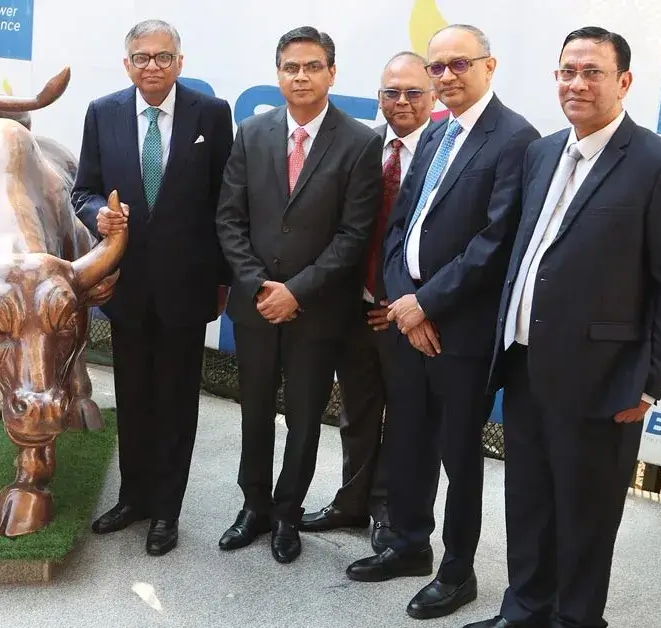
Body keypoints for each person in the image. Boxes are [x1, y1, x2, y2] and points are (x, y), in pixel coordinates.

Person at [465, 26, 661, 628]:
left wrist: (648, 383)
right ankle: (523, 611)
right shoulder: (541, 151)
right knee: (529, 504)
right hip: (524, 366)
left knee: (586, 516)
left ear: (623, 81)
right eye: (567, 70)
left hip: (603, 381)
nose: (576, 83)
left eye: (592, 72)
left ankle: (575, 620)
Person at [346, 24, 540, 621]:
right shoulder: (435, 132)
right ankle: (408, 544)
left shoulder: (516, 139)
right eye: (438, 67)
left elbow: (495, 242)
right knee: (406, 440)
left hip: (462, 334)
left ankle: (458, 572)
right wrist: (406, 306)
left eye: (460, 64)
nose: (447, 76)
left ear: (490, 65)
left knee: (459, 456)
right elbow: (403, 223)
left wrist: (428, 305)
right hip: (412, 325)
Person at [215, 26, 382, 564]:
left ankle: (288, 513)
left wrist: (297, 291)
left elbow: (354, 236)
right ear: (278, 73)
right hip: (256, 304)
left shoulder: (360, 141)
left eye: (312, 66)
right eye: (291, 67)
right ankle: (254, 508)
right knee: (255, 411)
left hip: (317, 310)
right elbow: (229, 218)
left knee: (305, 417)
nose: (301, 76)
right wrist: (260, 284)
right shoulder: (252, 133)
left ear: (332, 73)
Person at [71, 19, 234, 557]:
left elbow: (224, 206)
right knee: (134, 397)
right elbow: (84, 192)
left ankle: (167, 510)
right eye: (142, 58)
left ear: (180, 63)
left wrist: (222, 281)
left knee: (177, 402)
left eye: (163, 57)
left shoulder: (212, 114)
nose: (153, 67)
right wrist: (99, 217)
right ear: (127, 65)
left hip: (186, 289)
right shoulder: (103, 112)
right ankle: (133, 498)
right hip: (126, 285)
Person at [298, 51, 436, 554]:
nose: (400, 102)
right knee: (356, 411)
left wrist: (403, 301)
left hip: (408, 315)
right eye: (390, 93)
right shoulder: (362, 145)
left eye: (413, 92)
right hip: (353, 307)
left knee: (403, 418)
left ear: (433, 95)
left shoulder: (442, 154)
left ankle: (386, 510)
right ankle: (352, 502)